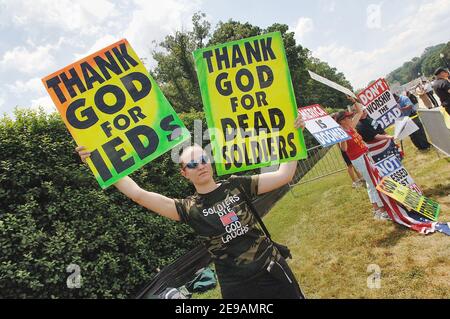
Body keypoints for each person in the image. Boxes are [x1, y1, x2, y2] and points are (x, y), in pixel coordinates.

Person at [76, 115, 306, 300]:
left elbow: (284, 174)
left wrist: (294, 134)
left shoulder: (237, 184)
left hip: (270, 267)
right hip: (235, 283)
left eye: (203, 159)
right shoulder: (187, 208)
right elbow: (139, 195)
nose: (201, 166)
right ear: (184, 173)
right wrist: (100, 163)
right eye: (192, 164)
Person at [334, 98, 390, 221]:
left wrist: (354, 101)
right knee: (374, 183)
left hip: (365, 156)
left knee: (371, 184)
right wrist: (342, 138)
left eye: (350, 117)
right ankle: (382, 211)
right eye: (348, 117)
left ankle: (376, 210)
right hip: (359, 159)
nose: (350, 118)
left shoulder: (350, 127)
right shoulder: (343, 132)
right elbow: (344, 149)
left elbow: (359, 112)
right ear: (342, 121)